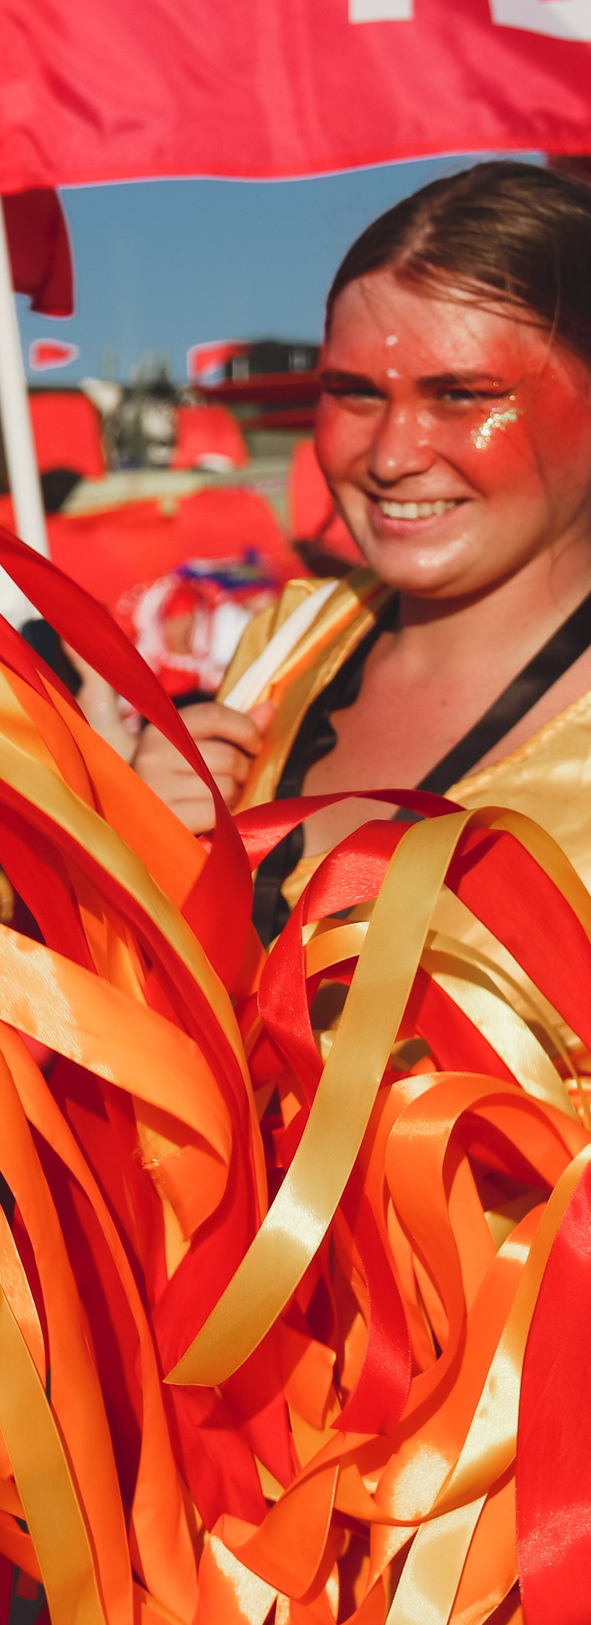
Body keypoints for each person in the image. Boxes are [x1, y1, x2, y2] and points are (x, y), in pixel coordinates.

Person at [132, 163, 591, 1054]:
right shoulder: (283, 647)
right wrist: (133, 849)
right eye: (355, 392)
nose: (390, 455)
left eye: (462, 394)